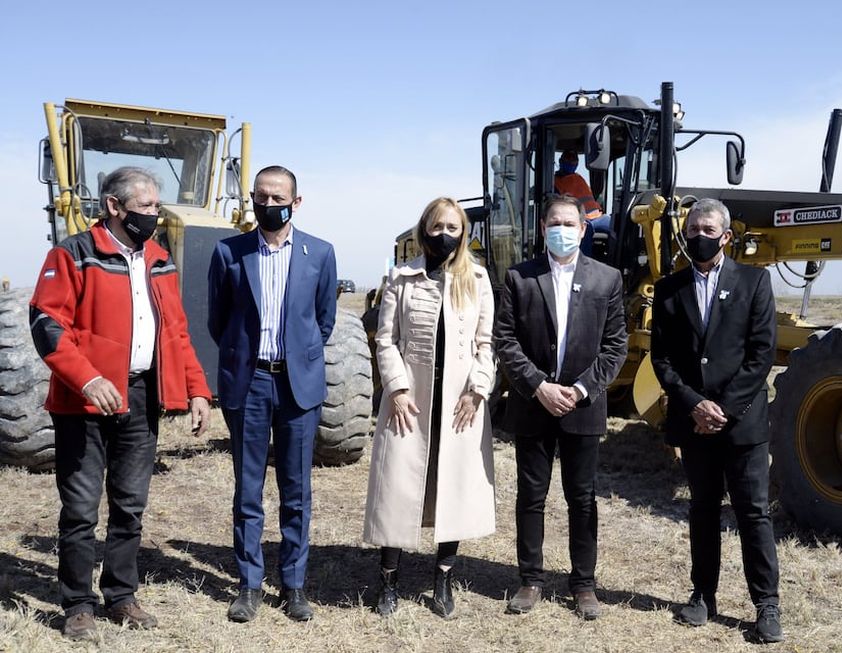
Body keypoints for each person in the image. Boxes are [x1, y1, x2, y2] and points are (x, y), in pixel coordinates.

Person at [29, 166, 212, 641]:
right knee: (82, 507)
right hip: (84, 400)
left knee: (130, 505)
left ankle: (120, 596)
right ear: (114, 207)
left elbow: (175, 331)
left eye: (155, 205)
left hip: (140, 396)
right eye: (147, 206)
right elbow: (47, 324)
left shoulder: (158, 258)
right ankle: (77, 605)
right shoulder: (74, 253)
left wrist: (196, 389)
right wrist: (87, 379)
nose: (155, 214)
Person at [649, 198, 784, 643]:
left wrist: (723, 409)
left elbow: (761, 353)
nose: (698, 237)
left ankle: (766, 605)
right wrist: (693, 405)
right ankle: (703, 595)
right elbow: (662, 359)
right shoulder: (669, 290)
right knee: (703, 510)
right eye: (691, 230)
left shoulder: (755, 282)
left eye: (707, 229)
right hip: (694, 422)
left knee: (752, 514)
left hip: (741, 424)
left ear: (726, 235)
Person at [207, 165, 337, 623]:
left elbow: (323, 322)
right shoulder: (230, 252)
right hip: (250, 382)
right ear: (252, 200)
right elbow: (218, 322)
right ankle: (249, 585)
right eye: (260, 196)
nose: (268, 203)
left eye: (277, 196)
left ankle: (295, 584)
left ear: (296, 202)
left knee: (296, 489)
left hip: (297, 386)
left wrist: (298, 360)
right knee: (248, 488)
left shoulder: (319, 253)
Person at [494, 194, 627, 620]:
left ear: (583, 229)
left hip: (582, 407)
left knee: (582, 498)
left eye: (570, 223)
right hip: (534, 405)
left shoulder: (607, 279)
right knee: (531, 496)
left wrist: (582, 389)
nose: (563, 230)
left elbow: (615, 345)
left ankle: (583, 585)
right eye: (556, 222)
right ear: (542, 227)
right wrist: (538, 386)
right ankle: (530, 579)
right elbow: (506, 341)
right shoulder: (519, 278)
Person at [363, 197, 496, 619]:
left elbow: (485, 342)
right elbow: (386, 339)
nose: (445, 235)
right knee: (397, 487)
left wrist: (478, 388)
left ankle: (443, 578)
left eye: (452, 228)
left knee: (451, 488)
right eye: (437, 227)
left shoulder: (477, 278)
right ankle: (389, 580)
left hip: (460, 405)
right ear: (425, 231)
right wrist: (397, 389)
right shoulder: (402, 278)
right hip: (410, 403)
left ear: (463, 233)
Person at [554, 151, 612, 256]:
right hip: (581, 218)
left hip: (598, 216)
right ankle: (583, 266)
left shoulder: (579, 178)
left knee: (616, 225)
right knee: (585, 230)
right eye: (569, 160)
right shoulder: (555, 181)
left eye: (574, 161)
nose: (572, 163)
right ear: (561, 161)